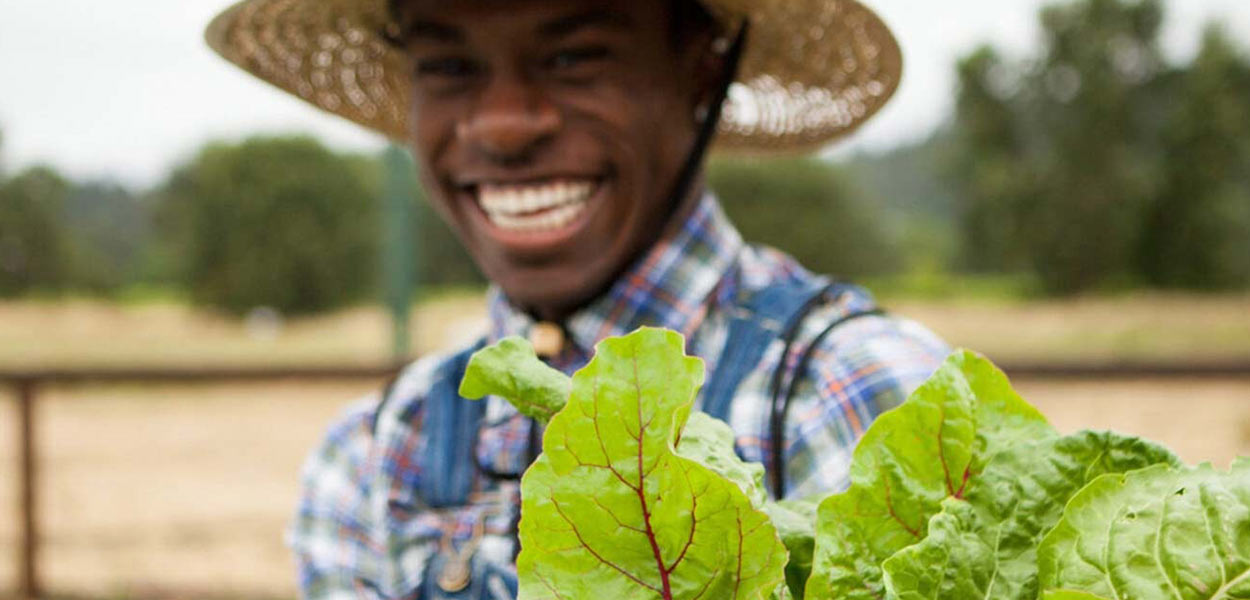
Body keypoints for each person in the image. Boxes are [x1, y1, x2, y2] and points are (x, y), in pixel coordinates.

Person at [205, 0, 947, 597]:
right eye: (450, 66)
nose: (502, 122)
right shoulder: (379, 451)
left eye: (573, 57)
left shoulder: (859, 398)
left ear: (702, 71)